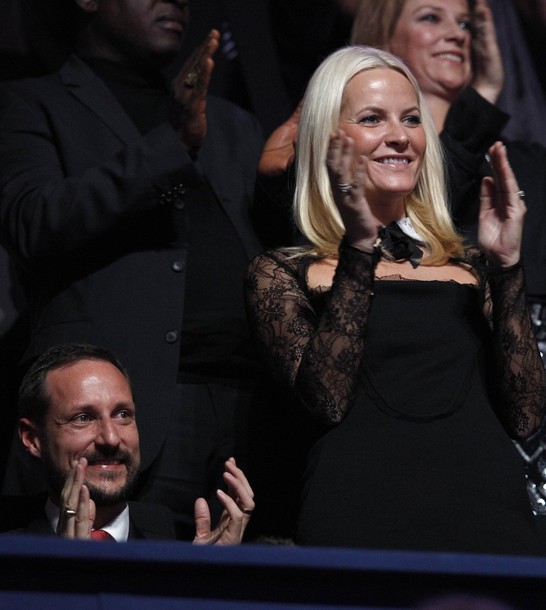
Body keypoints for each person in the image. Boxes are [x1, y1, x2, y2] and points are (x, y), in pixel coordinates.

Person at [244, 45, 546, 554]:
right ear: (326, 140)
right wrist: (359, 249)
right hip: (360, 521)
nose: (401, 136)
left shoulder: (473, 267)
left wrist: (508, 265)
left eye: (411, 118)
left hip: (488, 521)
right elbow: (326, 402)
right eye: (372, 119)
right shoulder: (280, 273)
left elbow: (526, 416)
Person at [0, 0, 265, 538]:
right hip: (133, 408)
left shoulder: (232, 121)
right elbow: (35, 221)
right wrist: (171, 144)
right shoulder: (33, 102)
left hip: (249, 407)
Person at [350, 0, 546, 517]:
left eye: (464, 23)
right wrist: (482, 100)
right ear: (381, 36)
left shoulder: (519, 164)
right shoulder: (367, 170)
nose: (457, 33)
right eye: (430, 17)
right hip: (420, 430)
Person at [7, 342, 254, 542]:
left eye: (122, 414)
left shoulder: (172, 547)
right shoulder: (11, 553)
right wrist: (59, 574)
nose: (111, 438)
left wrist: (199, 581)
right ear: (32, 439)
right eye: (83, 418)